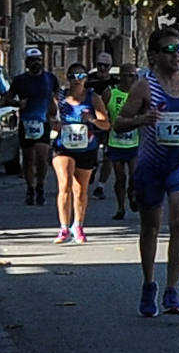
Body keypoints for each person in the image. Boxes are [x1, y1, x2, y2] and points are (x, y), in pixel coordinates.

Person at [114, 28, 179, 317]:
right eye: (170, 50)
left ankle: (172, 290)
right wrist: (141, 119)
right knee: (150, 227)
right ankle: (149, 282)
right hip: (150, 164)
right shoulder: (144, 86)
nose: (177, 55)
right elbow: (119, 123)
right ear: (155, 55)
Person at [50, 63, 110, 243]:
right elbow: (49, 117)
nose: (77, 80)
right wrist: (55, 124)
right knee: (64, 184)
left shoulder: (93, 98)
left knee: (80, 190)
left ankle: (77, 225)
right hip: (63, 146)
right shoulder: (59, 97)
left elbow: (106, 124)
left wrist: (91, 119)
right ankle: (63, 228)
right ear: (67, 78)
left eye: (81, 76)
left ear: (86, 79)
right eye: (73, 76)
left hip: (86, 147)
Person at [5, 48, 58, 205]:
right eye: (33, 60)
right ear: (27, 63)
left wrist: (56, 113)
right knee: (28, 158)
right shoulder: (20, 80)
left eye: (39, 60)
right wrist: (17, 103)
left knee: (42, 157)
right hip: (26, 122)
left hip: (43, 121)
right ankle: (30, 188)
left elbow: (57, 96)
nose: (37, 63)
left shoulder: (50, 78)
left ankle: (40, 185)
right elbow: (6, 99)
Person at [104, 62, 140, 220]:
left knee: (134, 176)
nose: (133, 79)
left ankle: (132, 194)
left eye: (135, 75)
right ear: (121, 76)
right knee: (120, 178)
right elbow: (102, 114)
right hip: (115, 142)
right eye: (129, 75)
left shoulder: (139, 94)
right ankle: (120, 207)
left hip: (134, 142)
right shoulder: (110, 93)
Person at [87, 53, 116, 201]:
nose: (103, 69)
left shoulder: (115, 82)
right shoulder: (89, 81)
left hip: (109, 124)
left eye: (106, 66)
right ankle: (91, 168)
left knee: (108, 155)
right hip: (91, 123)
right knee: (90, 153)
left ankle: (101, 186)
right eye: (100, 65)